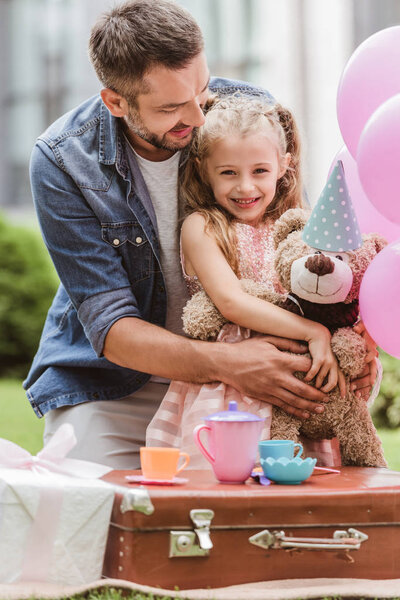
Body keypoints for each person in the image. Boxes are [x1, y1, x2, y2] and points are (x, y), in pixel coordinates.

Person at [23, 0, 377, 469]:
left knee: (296, 515)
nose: (200, 115)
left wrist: (344, 340)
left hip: (261, 362)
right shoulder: (63, 159)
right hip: (115, 385)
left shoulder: (245, 109)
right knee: (95, 513)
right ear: (116, 102)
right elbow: (112, 328)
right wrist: (230, 363)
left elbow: (304, 252)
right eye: (171, 107)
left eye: (202, 88)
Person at [145, 95, 348, 465]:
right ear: (203, 169)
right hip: (230, 384)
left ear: (284, 166)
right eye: (228, 172)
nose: (245, 187)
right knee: (229, 482)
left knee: (301, 489)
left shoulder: (296, 227)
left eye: (259, 171)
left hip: (297, 378)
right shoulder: (202, 226)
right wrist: (312, 332)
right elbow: (231, 302)